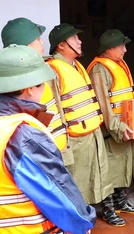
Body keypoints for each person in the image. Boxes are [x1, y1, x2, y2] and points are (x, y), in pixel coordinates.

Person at [0, 44, 95, 234]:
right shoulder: (22, 135)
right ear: (29, 88)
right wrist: (84, 221)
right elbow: (59, 195)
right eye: (42, 83)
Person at [47, 24, 119, 226]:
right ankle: (78, 220)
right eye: (75, 38)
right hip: (75, 139)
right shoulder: (53, 69)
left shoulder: (77, 66)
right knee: (77, 181)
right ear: (61, 44)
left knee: (102, 174)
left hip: (93, 132)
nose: (80, 41)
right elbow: (56, 111)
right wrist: (65, 146)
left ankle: (107, 210)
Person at [86, 29, 134, 223]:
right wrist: (118, 128)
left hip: (125, 126)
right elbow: (104, 106)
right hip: (110, 130)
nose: (125, 50)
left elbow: (126, 93)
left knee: (123, 167)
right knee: (108, 170)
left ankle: (121, 202)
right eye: (122, 46)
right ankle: (108, 209)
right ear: (110, 48)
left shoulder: (119, 65)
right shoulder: (99, 70)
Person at [0, 17, 70, 160]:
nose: (42, 43)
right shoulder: (14, 80)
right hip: (40, 157)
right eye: (38, 39)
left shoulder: (44, 68)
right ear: (25, 45)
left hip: (59, 149)